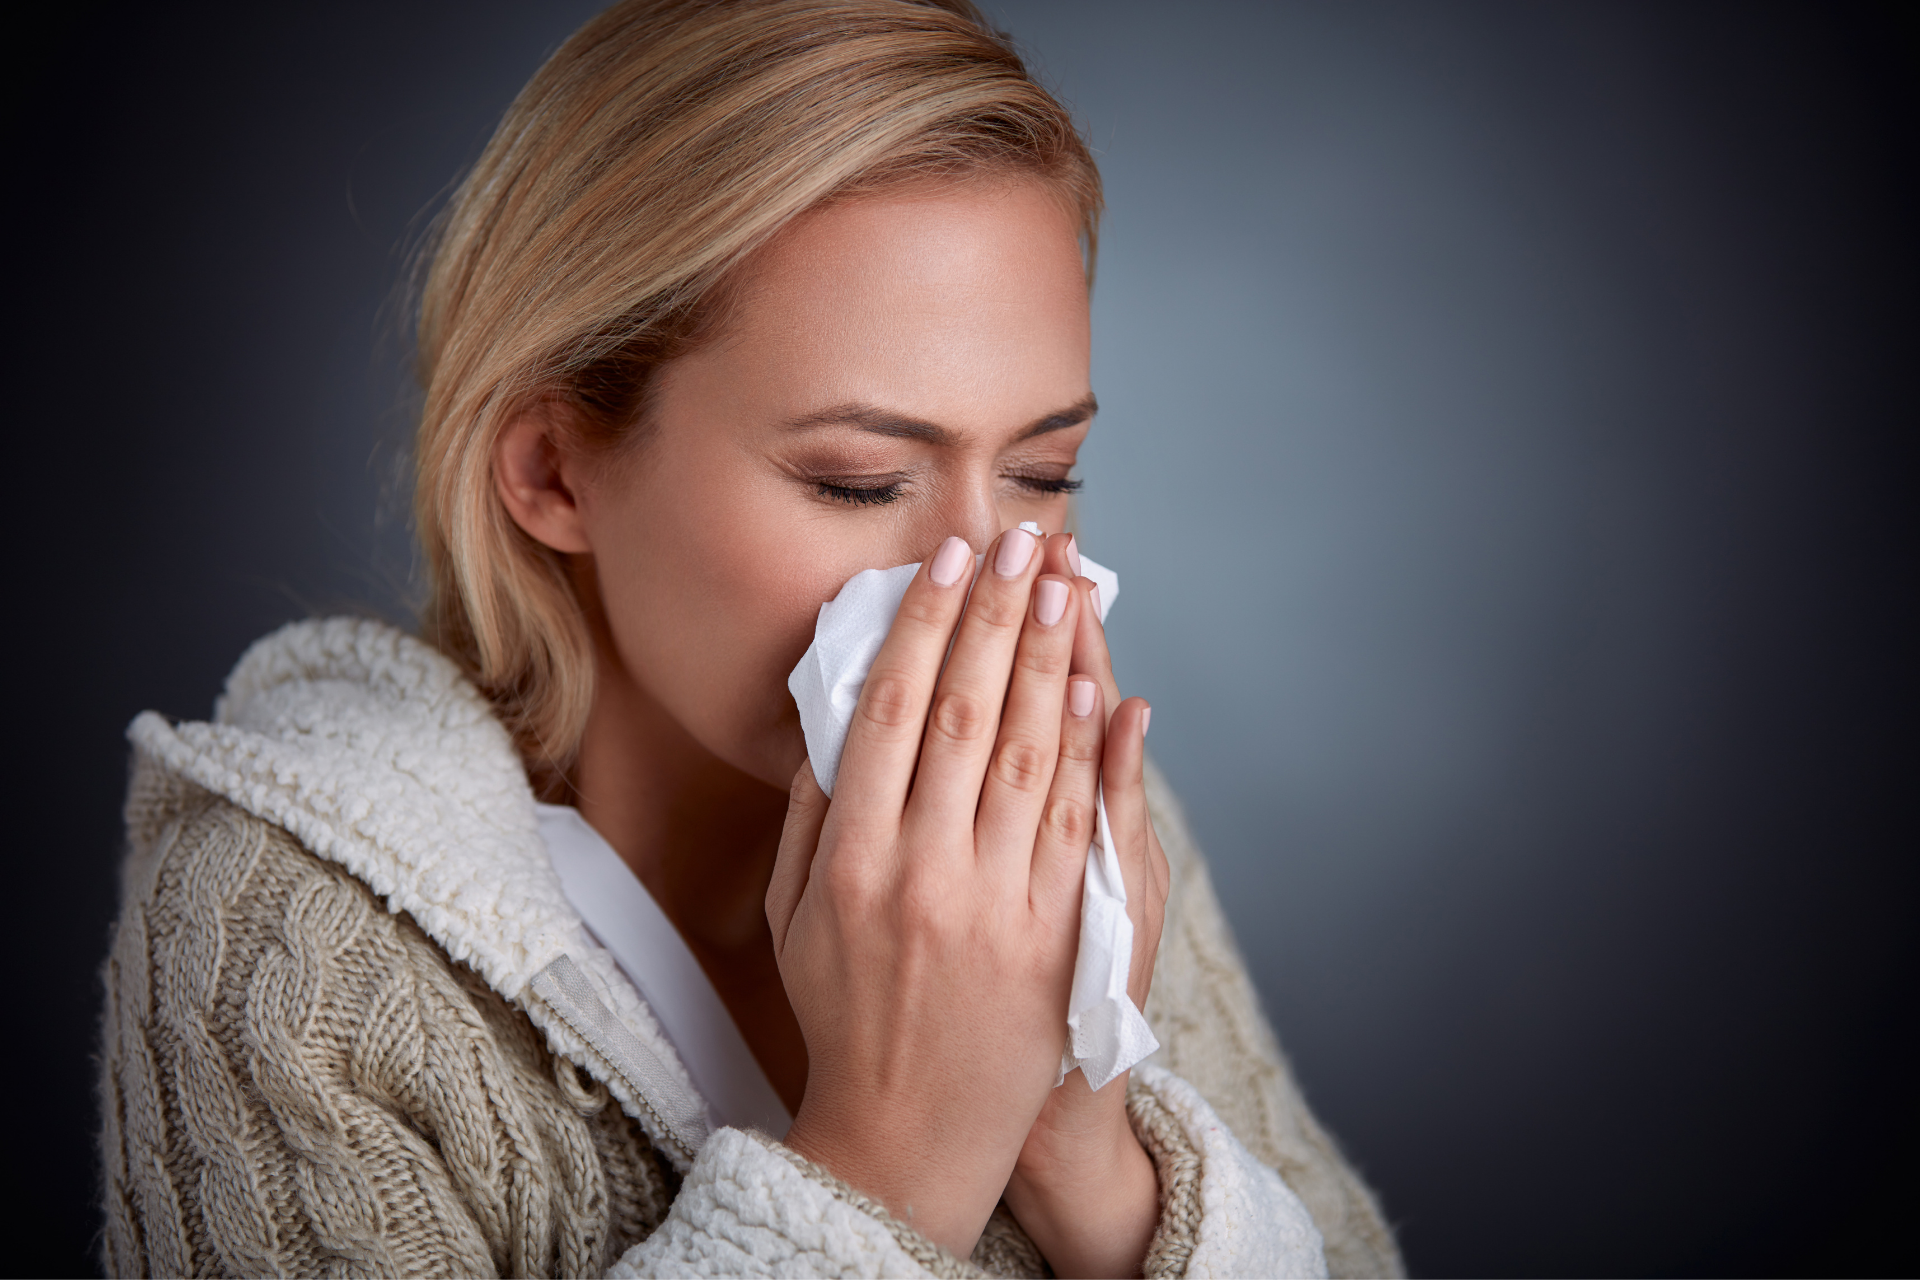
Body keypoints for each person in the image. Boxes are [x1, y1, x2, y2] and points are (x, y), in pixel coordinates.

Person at [97, 2, 1400, 1275]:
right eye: (856, 481)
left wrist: (1092, 1160)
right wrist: (891, 1161)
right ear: (554, 471)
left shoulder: (1062, 832)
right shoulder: (290, 933)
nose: (979, 577)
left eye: (1045, 471)